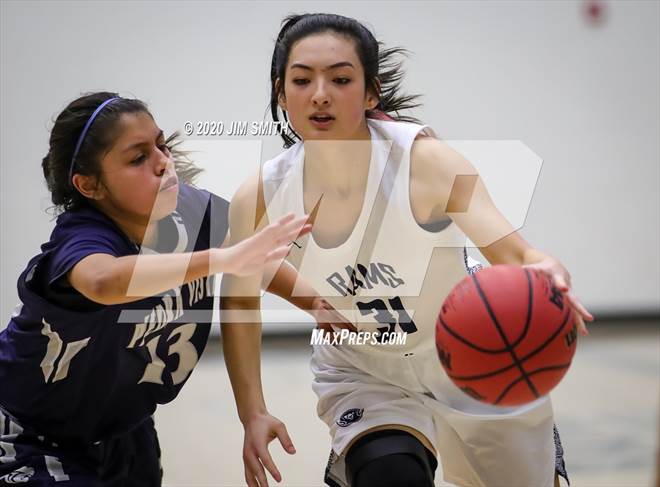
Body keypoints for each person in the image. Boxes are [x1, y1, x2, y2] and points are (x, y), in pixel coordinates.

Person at [221, 13, 593, 487]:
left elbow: (518, 254)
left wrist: (549, 269)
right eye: (302, 80)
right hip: (366, 371)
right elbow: (239, 293)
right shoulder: (260, 196)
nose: (320, 94)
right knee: (390, 473)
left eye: (340, 79)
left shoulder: (425, 163)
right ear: (281, 93)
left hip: (478, 354)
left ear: (370, 93)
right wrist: (253, 411)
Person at [0, 92, 310, 486]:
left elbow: (254, 263)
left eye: (161, 145)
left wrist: (320, 305)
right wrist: (220, 258)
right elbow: (103, 281)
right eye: (138, 158)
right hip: (30, 433)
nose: (164, 161)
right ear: (89, 185)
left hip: (124, 432)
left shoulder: (193, 211)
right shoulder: (83, 238)